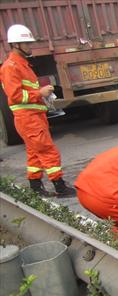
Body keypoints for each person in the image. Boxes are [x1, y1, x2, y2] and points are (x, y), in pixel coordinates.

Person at [0, 24, 76, 197]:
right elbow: (15, 95)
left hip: (34, 115)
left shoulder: (22, 64)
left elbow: (25, 91)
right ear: (16, 44)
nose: (29, 46)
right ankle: (60, 186)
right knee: (48, 151)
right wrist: (39, 93)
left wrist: (42, 94)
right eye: (26, 43)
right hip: (28, 118)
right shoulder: (11, 66)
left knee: (35, 153)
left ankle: (35, 186)